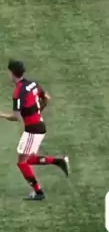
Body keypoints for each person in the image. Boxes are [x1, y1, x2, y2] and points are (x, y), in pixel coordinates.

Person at [0, 60, 70, 200]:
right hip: (38, 126)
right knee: (28, 159)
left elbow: (16, 117)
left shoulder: (19, 92)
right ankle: (58, 162)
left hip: (33, 130)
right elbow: (47, 98)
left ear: (12, 73)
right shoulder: (33, 84)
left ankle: (39, 192)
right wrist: (37, 112)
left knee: (22, 162)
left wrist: (1, 114)